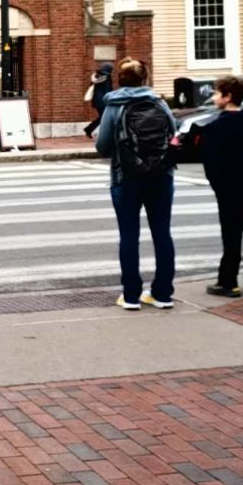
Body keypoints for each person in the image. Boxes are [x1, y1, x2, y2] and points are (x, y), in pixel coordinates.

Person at [95, 58, 177, 311]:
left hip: (126, 178)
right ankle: (162, 293)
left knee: (129, 235)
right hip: (161, 177)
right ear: (145, 79)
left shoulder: (114, 106)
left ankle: (131, 295)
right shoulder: (159, 103)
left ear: (119, 79)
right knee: (162, 234)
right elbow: (173, 135)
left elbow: (103, 146)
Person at [199, 76, 243, 299]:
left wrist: (218, 184)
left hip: (228, 188)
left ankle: (229, 281)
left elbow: (210, 163)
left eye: (216, 93)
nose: (213, 97)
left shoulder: (214, 128)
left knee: (231, 233)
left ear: (227, 97)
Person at [83, 62, 114, 138]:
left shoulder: (97, 76)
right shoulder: (107, 77)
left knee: (103, 117)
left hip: (97, 100)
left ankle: (89, 129)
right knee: (105, 117)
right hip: (103, 101)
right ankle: (91, 130)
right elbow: (107, 90)